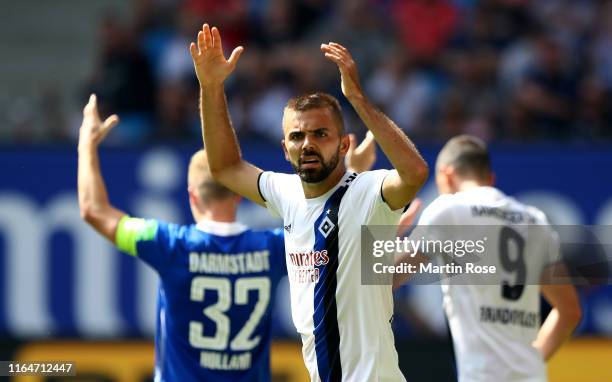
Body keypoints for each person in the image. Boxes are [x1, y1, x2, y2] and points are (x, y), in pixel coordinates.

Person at [77, 94, 376, 381]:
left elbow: (94, 211)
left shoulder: (170, 246)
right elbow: (336, 231)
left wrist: (87, 146)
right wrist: (352, 171)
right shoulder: (273, 248)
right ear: (238, 195)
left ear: (192, 197)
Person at [190, 24, 428, 381]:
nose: (308, 144)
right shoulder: (284, 194)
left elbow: (414, 173)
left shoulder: (368, 193)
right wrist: (211, 87)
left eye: (320, 134)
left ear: (343, 144)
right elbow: (224, 167)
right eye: (297, 136)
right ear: (284, 150)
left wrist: (358, 100)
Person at [396, 135, 581, 382]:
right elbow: (569, 312)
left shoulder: (448, 210)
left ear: (445, 176)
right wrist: (534, 360)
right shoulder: (535, 219)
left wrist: (390, 235)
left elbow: (387, 278)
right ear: (491, 179)